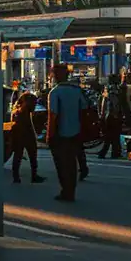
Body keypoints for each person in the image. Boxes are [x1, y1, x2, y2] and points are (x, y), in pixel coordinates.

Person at [47, 64, 91, 202]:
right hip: (76, 132)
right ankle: (71, 190)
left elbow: (52, 115)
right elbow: (84, 110)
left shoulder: (54, 93)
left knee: (61, 164)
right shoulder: (76, 91)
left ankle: (66, 190)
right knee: (72, 163)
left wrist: (49, 134)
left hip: (60, 134)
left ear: (56, 76)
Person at [7, 92, 46, 184]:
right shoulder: (24, 113)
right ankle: (34, 176)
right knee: (32, 155)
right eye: (34, 103)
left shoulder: (17, 111)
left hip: (18, 134)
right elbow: (29, 125)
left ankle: (16, 177)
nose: (35, 105)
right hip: (25, 135)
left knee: (18, 155)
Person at [99, 70, 131, 159]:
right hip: (114, 117)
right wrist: (117, 114)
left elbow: (103, 105)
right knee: (113, 135)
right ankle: (112, 153)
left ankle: (111, 152)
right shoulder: (115, 91)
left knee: (111, 136)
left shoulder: (107, 90)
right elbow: (115, 104)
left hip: (108, 116)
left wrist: (102, 115)